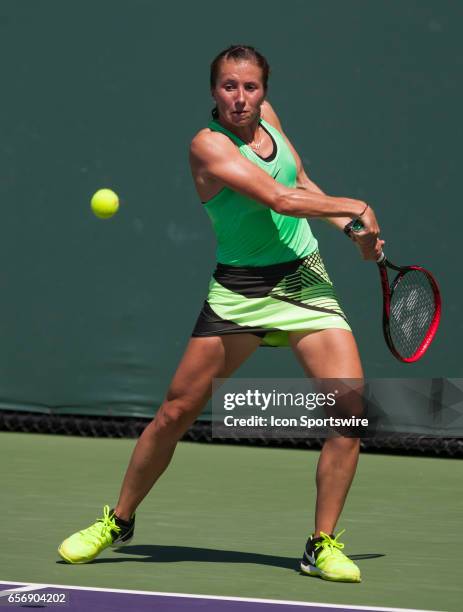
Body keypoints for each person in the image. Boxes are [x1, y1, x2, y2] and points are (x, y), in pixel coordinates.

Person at [58, 45, 384, 583]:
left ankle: (320, 544)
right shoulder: (207, 146)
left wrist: (352, 233)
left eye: (250, 87)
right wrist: (357, 207)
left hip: (304, 279)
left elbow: (301, 183)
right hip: (240, 292)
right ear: (214, 91)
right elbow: (278, 199)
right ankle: (117, 521)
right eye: (229, 86)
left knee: (349, 413)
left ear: (264, 91)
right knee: (175, 413)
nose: (240, 97)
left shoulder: (270, 123)